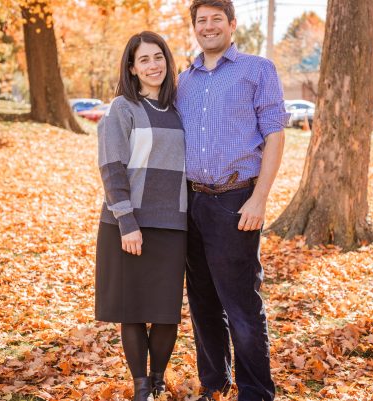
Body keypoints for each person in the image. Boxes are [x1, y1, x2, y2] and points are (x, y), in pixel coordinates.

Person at [175, 0, 290, 400]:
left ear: (232, 25)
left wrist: (259, 198)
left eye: (216, 20)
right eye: (201, 20)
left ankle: (256, 391)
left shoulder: (257, 70)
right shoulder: (183, 79)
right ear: (194, 27)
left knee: (240, 303)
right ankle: (214, 383)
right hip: (190, 203)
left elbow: (275, 133)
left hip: (236, 199)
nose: (208, 27)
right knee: (202, 300)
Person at [95, 31, 187, 401]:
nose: (153, 65)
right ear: (132, 69)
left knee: (166, 312)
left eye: (158, 57)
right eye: (144, 60)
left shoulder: (181, 109)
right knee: (132, 309)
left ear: (167, 60)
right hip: (127, 224)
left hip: (173, 224)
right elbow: (112, 168)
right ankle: (141, 387)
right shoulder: (123, 108)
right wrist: (127, 223)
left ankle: (158, 377)